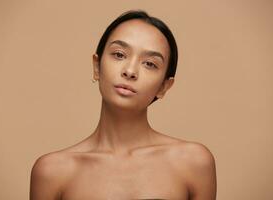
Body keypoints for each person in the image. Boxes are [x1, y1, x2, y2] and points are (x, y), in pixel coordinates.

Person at [29, 9, 217, 200]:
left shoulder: (193, 163)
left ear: (163, 87)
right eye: (119, 54)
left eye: (150, 64)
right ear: (97, 67)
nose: (130, 71)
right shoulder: (52, 172)